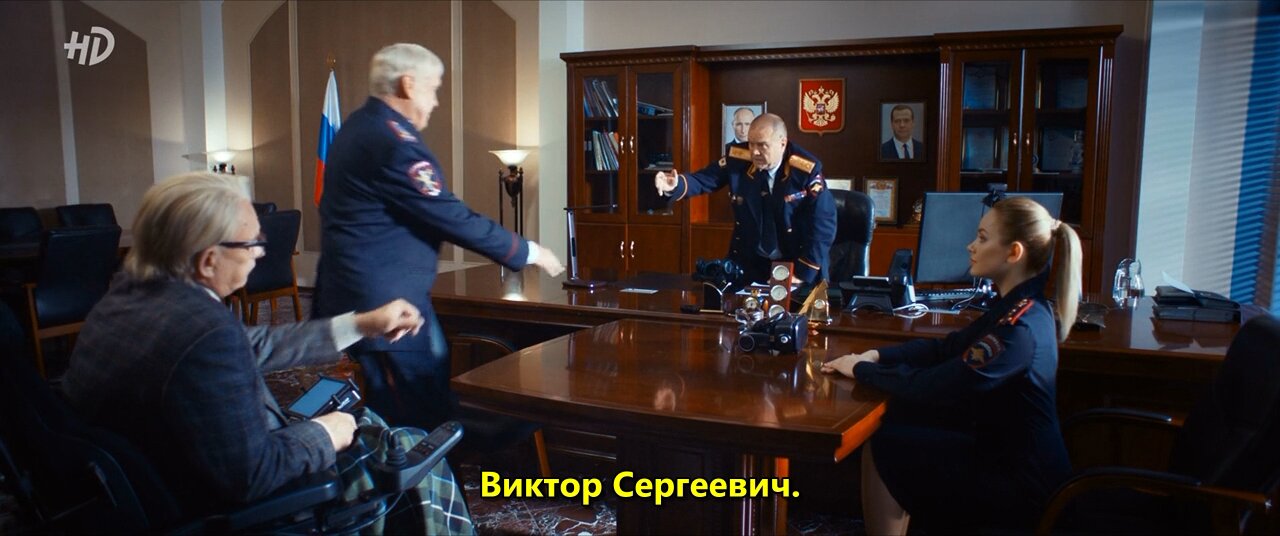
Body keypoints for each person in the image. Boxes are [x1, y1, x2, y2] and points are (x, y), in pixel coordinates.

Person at [61, 172, 475, 533]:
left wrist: (362, 324)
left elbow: (250, 346)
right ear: (208, 260)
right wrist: (324, 433)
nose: (260, 253)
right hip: (244, 508)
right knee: (410, 446)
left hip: (151, 485)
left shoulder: (130, 297)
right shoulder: (204, 331)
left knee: (368, 424)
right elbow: (254, 475)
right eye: (252, 243)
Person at [313, 43, 564, 431]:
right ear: (408, 84)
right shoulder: (392, 142)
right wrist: (528, 251)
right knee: (414, 422)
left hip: (371, 296)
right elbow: (448, 214)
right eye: (432, 89)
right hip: (385, 309)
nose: (434, 102)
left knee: (423, 402)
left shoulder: (359, 125)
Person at [821, 196, 1081, 534]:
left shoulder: (1019, 330)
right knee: (893, 428)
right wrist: (877, 356)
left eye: (983, 238)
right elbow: (946, 348)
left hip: (1022, 485)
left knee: (888, 443)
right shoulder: (1015, 307)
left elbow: (936, 385)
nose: (971, 246)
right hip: (1000, 455)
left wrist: (861, 370)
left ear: (1013, 253)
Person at [657, 113, 836, 286]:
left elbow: (824, 224)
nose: (754, 152)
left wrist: (802, 272)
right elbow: (705, 179)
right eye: (751, 144)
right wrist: (675, 185)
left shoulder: (805, 171)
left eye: (762, 145)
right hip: (751, 261)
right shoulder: (738, 158)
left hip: (798, 262)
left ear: (782, 143)